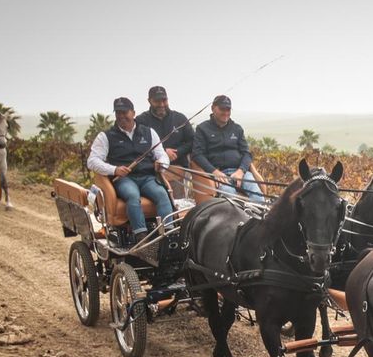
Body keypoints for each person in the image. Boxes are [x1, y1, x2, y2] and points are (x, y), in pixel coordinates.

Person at [86, 97, 174, 247]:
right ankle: (141, 236)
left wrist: (162, 164)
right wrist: (114, 169)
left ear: (133, 113)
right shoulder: (106, 137)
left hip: (147, 177)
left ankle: (169, 235)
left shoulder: (149, 133)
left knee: (162, 194)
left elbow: (161, 154)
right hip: (125, 180)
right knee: (132, 196)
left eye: (125, 112)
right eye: (118, 113)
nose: (122, 116)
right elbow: (92, 161)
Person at [192, 94, 263, 202]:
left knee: (258, 196)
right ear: (213, 108)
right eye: (222, 109)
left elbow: (246, 153)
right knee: (230, 198)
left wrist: (241, 171)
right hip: (219, 173)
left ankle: (258, 218)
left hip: (239, 172)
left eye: (228, 109)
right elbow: (197, 155)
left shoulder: (237, 128)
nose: (225, 113)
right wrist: (214, 172)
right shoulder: (202, 129)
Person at [140, 85, 191, 166]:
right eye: (157, 101)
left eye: (164, 100)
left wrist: (177, 152)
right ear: (149, 101)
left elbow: (192, 141)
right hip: (153, 168)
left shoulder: (180, 118)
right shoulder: (141, 120)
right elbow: (138, 146)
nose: (162, 104)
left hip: (179, 165)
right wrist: (163, 152)